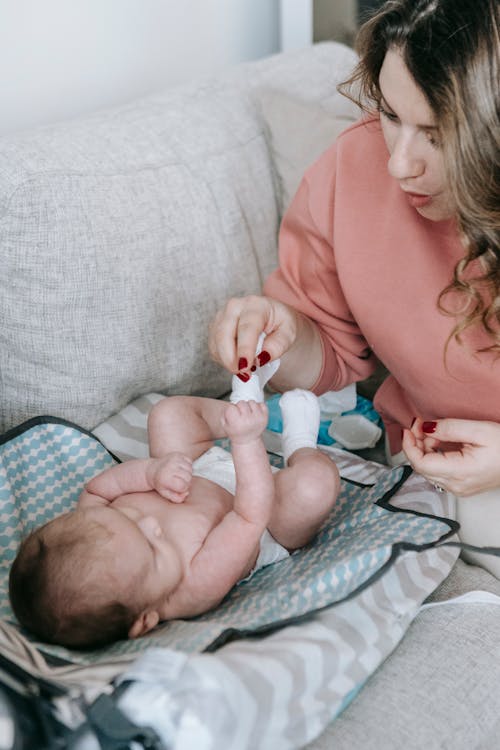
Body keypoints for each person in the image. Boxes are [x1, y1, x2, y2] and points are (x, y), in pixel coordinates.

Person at [209, 0, 500, 574]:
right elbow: (335, 356)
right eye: (392, 115)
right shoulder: (355, 167)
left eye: (438, 136)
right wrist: (279, 334)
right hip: (430, 477)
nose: (399, 164)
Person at [9, 387, 339, 649]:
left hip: (196, 469)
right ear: (146, 620)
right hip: (265, 511)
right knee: (313, 487)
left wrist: (153, 473)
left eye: (127, 515)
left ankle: (241, 408)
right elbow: (249, 515)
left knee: (168, 414)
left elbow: (99, 488)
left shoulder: (94, 520)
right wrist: (245, 441)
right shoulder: (193, 587)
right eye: (155, 548)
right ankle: (299, 443)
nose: (152, 524)